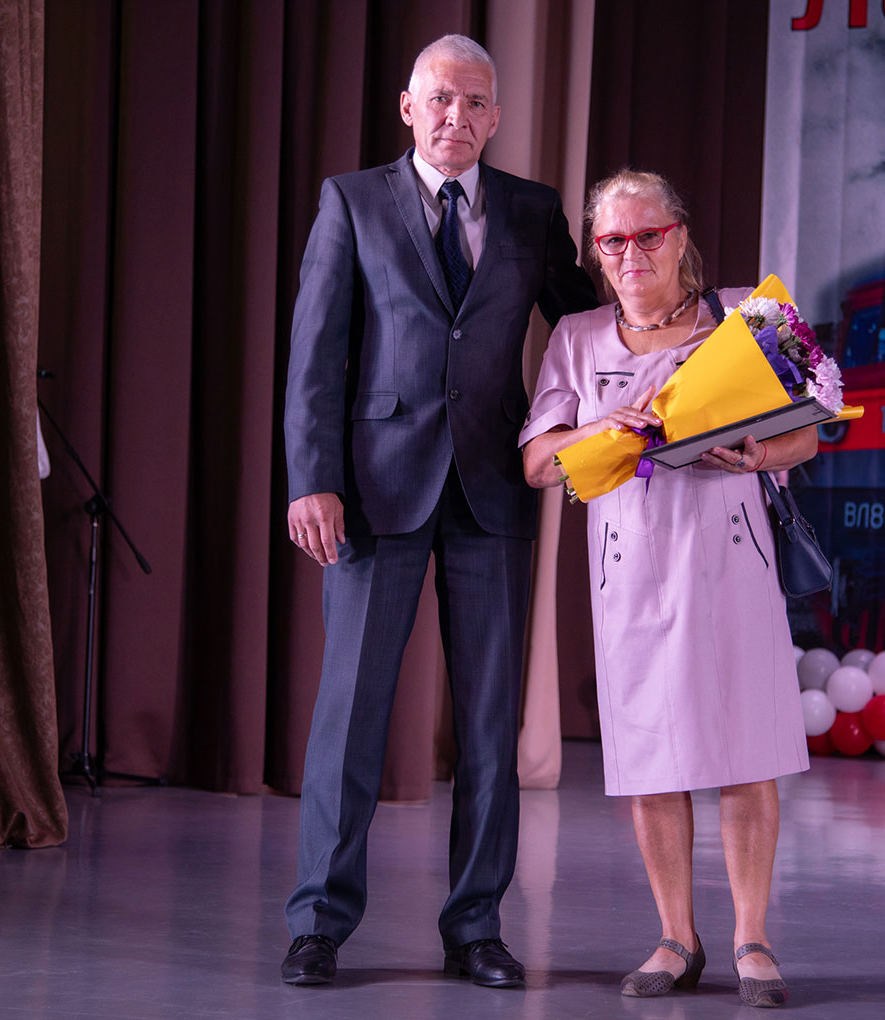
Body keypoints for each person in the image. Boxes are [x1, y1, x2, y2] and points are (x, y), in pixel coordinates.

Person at [280, 34, 597, 989]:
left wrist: (680, 341)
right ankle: (318, 924)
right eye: (441, 99)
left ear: (495, 118)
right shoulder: (351, 201)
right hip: (372, 492)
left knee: (490, 724)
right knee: (351, 715)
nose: (456, 116)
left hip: (493, 490)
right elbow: (315, 351)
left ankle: (475, 929)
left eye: (475, 102)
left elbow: (585, 327)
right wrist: (311, 476)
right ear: (410, 109)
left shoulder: (533, 210)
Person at [520, 169, 814, 1009]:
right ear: (595, 252)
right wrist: (596, 429)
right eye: (613, 240)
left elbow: (810, 433)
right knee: (652, 756)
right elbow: (537, 463)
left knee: (747, 750)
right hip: (631, 569)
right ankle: (675, 938)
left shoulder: (749, 314)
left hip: (732, 557)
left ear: (680, 235)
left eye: (648, 235)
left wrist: (758, 454)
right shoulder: (575, 335)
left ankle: (752, 939)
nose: (632, 253)